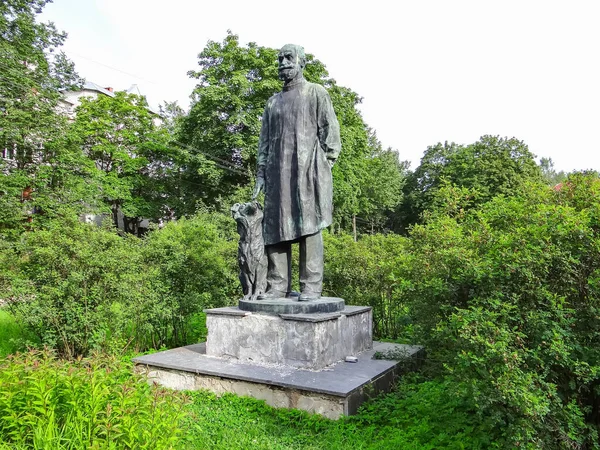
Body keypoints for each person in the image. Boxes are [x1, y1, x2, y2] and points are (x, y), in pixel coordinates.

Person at [252, 44, 341, 301]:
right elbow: (264, 143)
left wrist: (323, 166)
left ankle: (311, 286)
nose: (283, 63)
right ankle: (277, 285)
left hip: (309, 174)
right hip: (277, 175)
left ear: (302, 62)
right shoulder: (272, 103)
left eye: (289, 58)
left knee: (309, 227)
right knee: (274, 228)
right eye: (279, 59)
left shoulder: (316, 93)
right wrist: (261, 174)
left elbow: (330, 134)